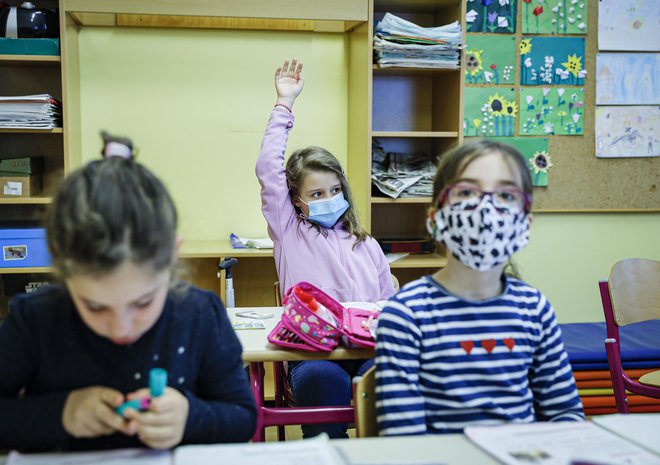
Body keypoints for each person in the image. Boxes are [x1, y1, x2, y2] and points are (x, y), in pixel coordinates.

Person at [0, 156, 256, 452]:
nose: (121, 328)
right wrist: (61, 413)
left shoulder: (200, 313)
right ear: (62, 266)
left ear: (172, 255)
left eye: (143, 302)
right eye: (95, 307)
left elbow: (243, 418)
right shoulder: (34, 319)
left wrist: (189, 416)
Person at [375, 139, 584, 435]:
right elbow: (404, 439)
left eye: (505, 195)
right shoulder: (406, 314)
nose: (485, 208)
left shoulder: (534, 309)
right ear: (435, 217)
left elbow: (564, 413)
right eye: (466, 192)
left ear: (525, 222)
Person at [256, 59, 395, 438]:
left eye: (335, 190)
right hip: (311, 357)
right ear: (297, 201)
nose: (329, 198)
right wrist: (285, 104)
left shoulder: (366, 244)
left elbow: (388, 304)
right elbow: (268, 170)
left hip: (364, 353)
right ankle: (329, 449)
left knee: (392, 375)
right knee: (320, 379)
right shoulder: (289, 231)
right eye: (316, 194)